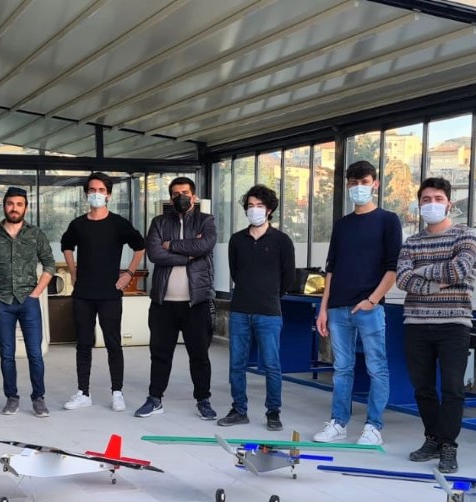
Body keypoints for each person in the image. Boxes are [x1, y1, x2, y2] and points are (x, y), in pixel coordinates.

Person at [312, 160, 401, 446]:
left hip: (369, 308)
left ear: (375, 184)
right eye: (353, 183)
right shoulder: (342, 225)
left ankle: (374, 426)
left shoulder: (388, 220)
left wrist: (372, 300)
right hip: (338, 308)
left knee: (377, 367)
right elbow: (331, 268)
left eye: (364, 182)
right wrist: (323, 308)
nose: (358, 187)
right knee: (342, 368)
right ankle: (338, 422)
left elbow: (393, 268)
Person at [395, 177, 476, 474]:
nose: (432, 204)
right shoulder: (411, 242)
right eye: (426, 200)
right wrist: (436, 283)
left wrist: (422, 271)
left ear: (449, 203)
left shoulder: (465, 235)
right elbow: (402, 279)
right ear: (419, 205)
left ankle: (449, 445)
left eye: (438, 199)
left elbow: (460, 269)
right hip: (416, 323)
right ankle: (432, 438)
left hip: (454, 323)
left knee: (453, 388)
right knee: (423, 387)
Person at [60, 172, 145, 412]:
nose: (96, 194)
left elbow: (140, 246)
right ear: (86, 194)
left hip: (110, 293)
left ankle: (117, 392)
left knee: (113, 343)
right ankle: (83, 392)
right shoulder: (78, 224)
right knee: (83, 344)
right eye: (92, 190)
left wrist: (129, 273)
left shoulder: (118, 223)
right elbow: (66, 245)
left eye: (101, 190)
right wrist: (73, 271)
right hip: (83, 293)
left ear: (108, 195)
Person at [137, 176, 218, 419]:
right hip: (163, 303)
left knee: (199, 355)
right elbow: (154, 254)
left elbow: (205, 246)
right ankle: (155, 399)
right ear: (171, 198)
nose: (180, 197)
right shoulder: (159, 222)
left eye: (185, 193)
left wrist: (170, 245)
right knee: (160, 354)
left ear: (194, 196)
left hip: (197, 302)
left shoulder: (206, 220)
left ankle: (203, 400)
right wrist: (188, 255)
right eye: (175, 194)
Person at [217, 183, 295, 430]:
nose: (254, 210)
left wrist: (271, 295)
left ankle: (273, 412)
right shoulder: (237, 240)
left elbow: (288, 277)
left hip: (269, 312)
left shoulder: (282, 241)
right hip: (240, 309)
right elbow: (236, 272)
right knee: (236, 364)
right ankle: (239, 410)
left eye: (260, 205)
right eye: (250, 206)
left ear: (269, 209)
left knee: (271, 365)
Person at [0, 186, 55, 417]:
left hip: (28, 301)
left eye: (19, 204)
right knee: (7, 353)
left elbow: (49, 264)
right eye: (10, 204)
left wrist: (37, 292)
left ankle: (38, 398)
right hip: (2, 301)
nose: (14, 208)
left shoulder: (35, 234)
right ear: (4, 206)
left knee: (35, 353)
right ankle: (11, 397)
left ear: (25, 208)